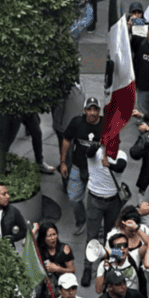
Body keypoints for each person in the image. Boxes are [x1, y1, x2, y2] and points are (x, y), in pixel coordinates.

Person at [81, 142, 129, 287]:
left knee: (112, 235)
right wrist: (97, 146)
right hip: (95, 200)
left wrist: (109, 164)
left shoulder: (121, 155)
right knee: (92, 236)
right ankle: (87, 268)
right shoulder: (94, 153)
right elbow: (88, 152)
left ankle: (112, 265)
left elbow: (120, 166)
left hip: (113, 201)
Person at [60, 97, 103, 236]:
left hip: (97, 170)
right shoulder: (77, 122)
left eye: (95, 109)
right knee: (73, 197)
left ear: (99, 110)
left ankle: (98, 224)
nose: (92, 112)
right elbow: (66, 140)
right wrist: (63, 162)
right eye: (89, 109)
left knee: (98, 201)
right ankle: (81, 219)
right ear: (84, 111)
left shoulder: (105, 125)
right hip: (78, 167)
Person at [36, 222, 75, 298]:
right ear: (43, 238)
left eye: (54, 234)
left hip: (60, 288)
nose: (53, 238)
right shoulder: (39, 250)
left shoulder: (64, 249)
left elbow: (71, 270)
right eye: (49, 236)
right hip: (43, 289)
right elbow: (26, 244)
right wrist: (34, 230)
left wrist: (57, 269)